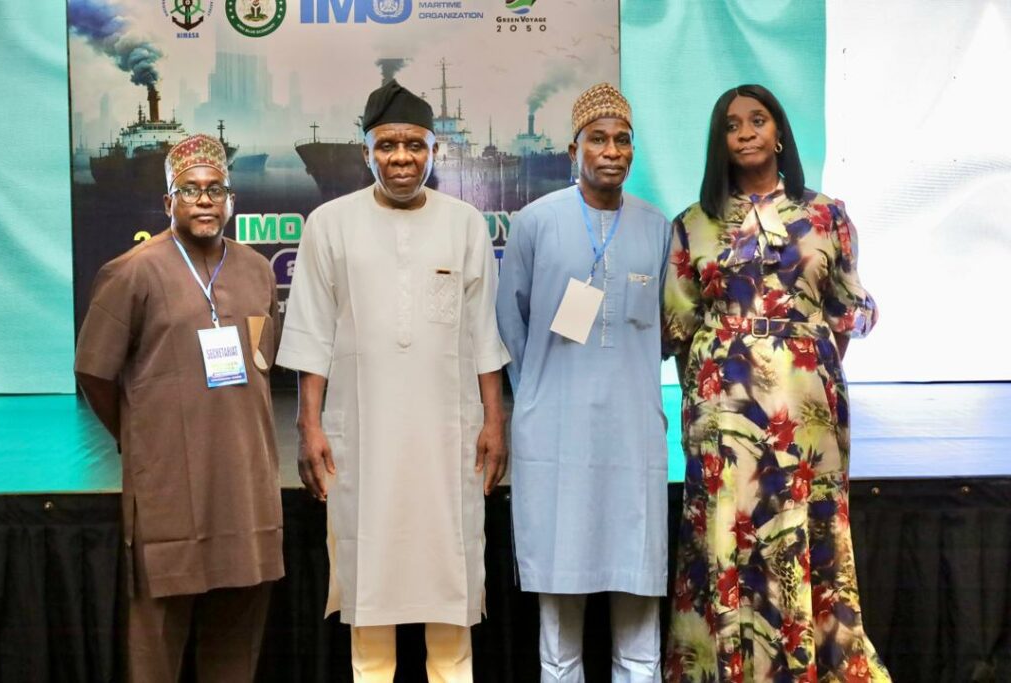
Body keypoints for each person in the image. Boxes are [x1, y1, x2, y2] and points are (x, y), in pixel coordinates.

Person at [276, 79, 509, 682]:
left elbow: (484, 336)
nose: (400, 158)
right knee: (369, 582)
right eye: (386, 145)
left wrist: (494, 422)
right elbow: (310, 335)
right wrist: (308, 427)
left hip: (448, 436)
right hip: (362, 433)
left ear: (434, 151)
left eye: (413, 145)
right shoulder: (329, 224)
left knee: (450, 577)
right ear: (366, 152)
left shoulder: (465, 224)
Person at [662, 84, 891, 682]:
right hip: (723, 409)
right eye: (731, 125)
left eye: (757, 120)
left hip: (806, 407)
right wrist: (716, 387)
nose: (745, 133)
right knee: (726, 529)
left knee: (805, 526)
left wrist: (806, 365)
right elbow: (680, 325)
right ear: (719, 143)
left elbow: (843, 311)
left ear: (779, 132)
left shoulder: (827, 216)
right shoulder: (693, 223)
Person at [74, 134, 283, 682]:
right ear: (168, 201)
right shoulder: (132, 271)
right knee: (157, 641)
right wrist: (139, 435)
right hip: (169, 485)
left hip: (244, 482)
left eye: (216, 189)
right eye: (189, 190)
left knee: (237, 632)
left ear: (232, 199)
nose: (205, 200)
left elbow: (265, 361)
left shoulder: (257, 270)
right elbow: (93, 371)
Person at [496, 82, 671, 682]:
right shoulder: (534, 223)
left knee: (639, 617)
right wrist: (541, 392)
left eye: (623, 140)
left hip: (632, 437)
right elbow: (509, 322)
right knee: (559, 628)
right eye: (598, 139)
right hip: (556, 438)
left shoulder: (657, 228)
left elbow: (665, 328)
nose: (612, 151)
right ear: (574, 149)